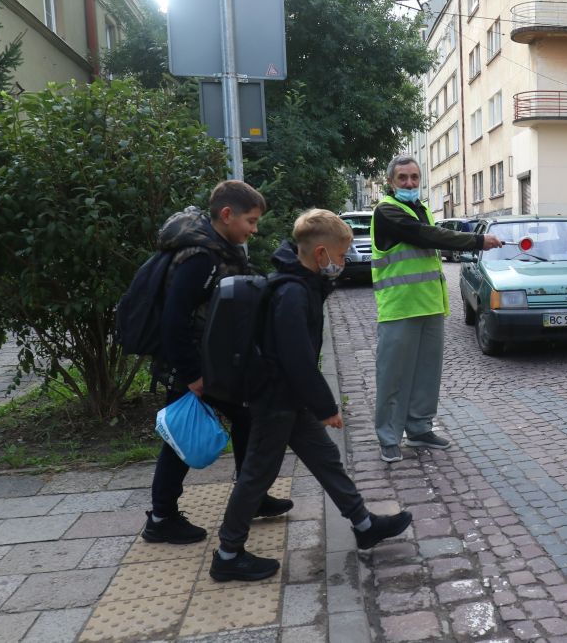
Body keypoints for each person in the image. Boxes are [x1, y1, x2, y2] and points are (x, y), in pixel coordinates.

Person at [211, 209, 412, 581]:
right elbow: (296, 357)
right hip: (275, 398)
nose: (343, 263)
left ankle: (364, 524)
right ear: (320, 254)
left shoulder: (303, 284)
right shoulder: (292, 292)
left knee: (325, 459)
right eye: (339, 256)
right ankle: (227, 554)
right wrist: (325, 406)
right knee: (257, 474)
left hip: (289, 397)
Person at [143, 181, 293, 545]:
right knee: (180, 436)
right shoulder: (200, 257)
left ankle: (250, 497)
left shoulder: (221, 247)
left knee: (243, 418)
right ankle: (161, 517)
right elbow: (174, 320)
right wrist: (192, 374)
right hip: (192, 364)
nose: (254, 229)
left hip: (210, 360)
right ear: (227, 215)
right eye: (251, 221)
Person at [371, 155, 503, 463]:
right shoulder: (388, 211)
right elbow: (427, 236)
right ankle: (389, 437)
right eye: (403, 178)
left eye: (414, 177)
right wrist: (477, 240)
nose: (409, 183)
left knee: (426, 373)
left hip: (428, 304)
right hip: (399, 307)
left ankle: (419, 428)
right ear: (391, 181)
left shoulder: (422, 208)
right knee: (393, 376)